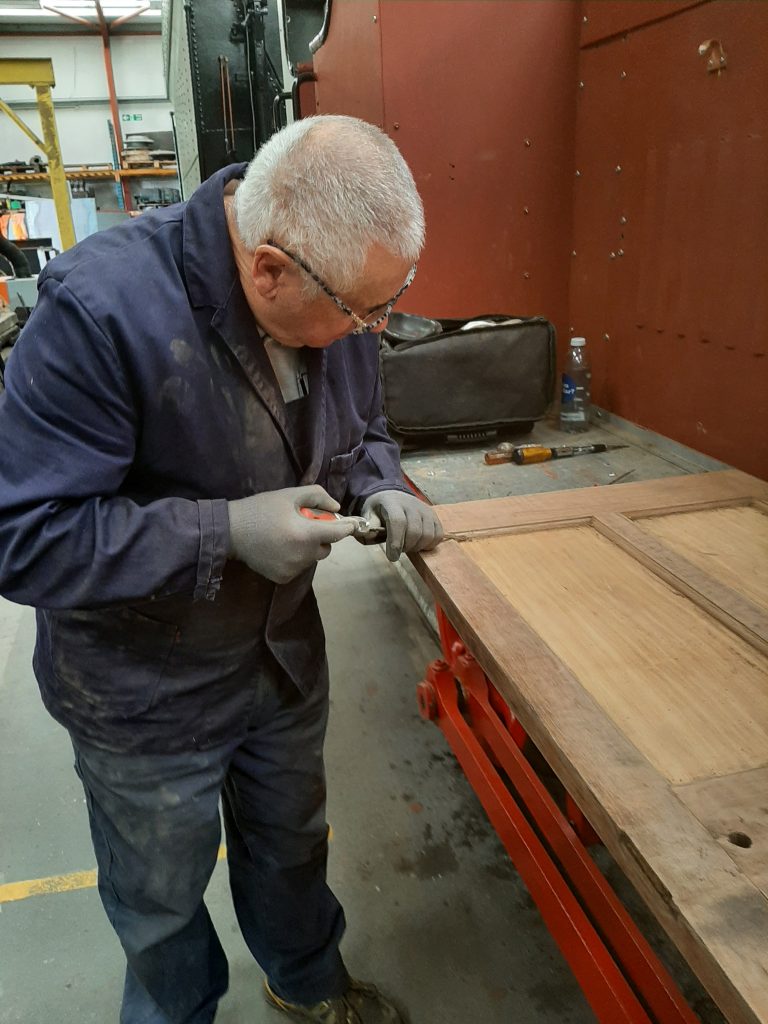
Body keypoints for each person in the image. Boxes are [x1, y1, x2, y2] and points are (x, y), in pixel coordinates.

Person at [0, 115, 443, 1024]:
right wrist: (222, 533)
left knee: (291, 845)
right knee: (159, 897)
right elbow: (25, 535)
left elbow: (361, 432)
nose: (376, 327)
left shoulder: (338, 281)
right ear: (269, 268)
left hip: (279, 659)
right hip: (143, 691)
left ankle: (306, 977)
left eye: (388, 305)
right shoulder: (100, 310)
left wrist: (380, 482)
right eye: (365, 313)